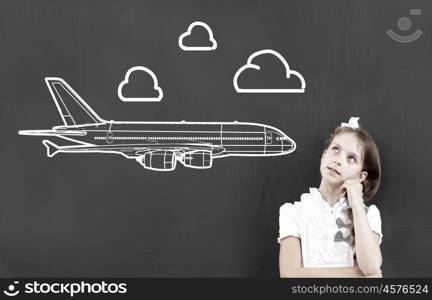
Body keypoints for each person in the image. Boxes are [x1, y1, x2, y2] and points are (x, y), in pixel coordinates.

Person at [278, 117, 383, 277]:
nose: (338, 160)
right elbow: (289, 274)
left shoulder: (368, 215)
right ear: (324, 156)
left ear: (361, 176)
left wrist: (356, 204)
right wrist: (357, 274)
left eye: (351, 158)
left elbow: (370, 267)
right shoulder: (293, 212)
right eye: (336, 149)